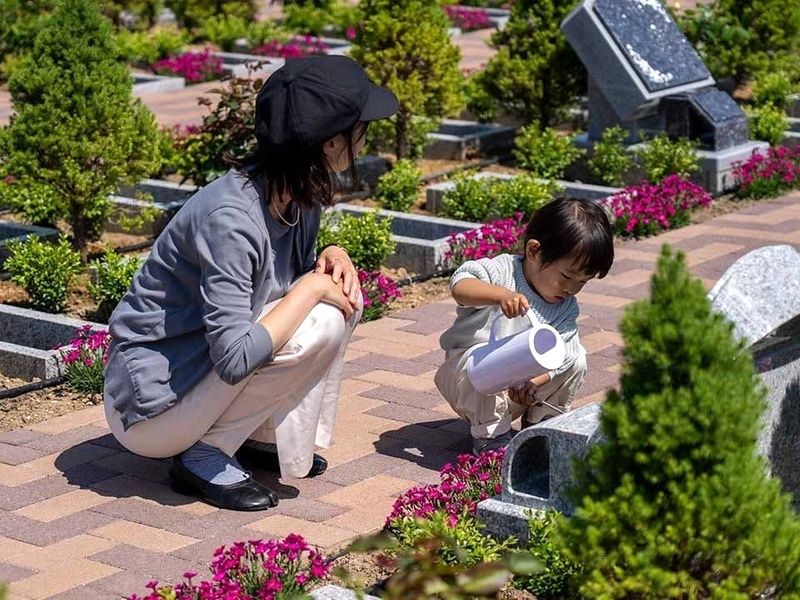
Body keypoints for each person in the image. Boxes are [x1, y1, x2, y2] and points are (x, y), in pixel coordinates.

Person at [103, 55, 399, 511]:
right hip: (151, 409)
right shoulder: (232, 221)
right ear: (331, 143)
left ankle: (254, 436)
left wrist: (329, 258)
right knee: (321, 315)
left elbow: (279, 287)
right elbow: (235, 358)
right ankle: (203, 453)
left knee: (340, 299)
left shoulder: (295, 195)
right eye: (361, 129)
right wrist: (311, 288)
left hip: (196, 375)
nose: (364, 140)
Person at [434, 198, 615, 455]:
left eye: (582, 282)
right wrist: (499, 296)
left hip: (515, 389)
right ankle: (491, 439)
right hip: (470, 382)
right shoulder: (503, 272)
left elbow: (565, 354)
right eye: (567, 276)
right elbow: (460, 284)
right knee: (486, 363)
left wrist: (532, 383)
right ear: (533, 251)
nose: (572, 289)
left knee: (576, 359)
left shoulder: (565, 307)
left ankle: (541, 425)